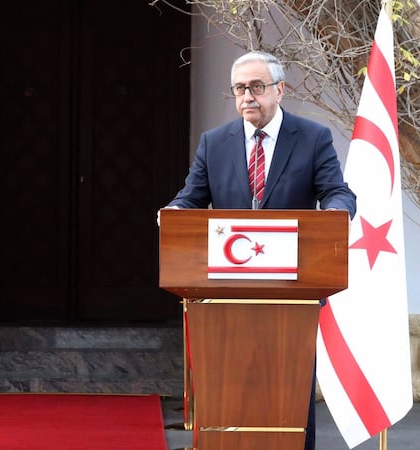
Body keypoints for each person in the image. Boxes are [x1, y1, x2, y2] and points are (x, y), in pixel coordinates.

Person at [164, 51, 357, 450]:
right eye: (239, 89)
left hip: (291, 299)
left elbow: (338, 193)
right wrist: (175, 213)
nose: (247, 96)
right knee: (228, 401)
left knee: (288, 403)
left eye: (256, 87)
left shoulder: (313, 137)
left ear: (279, 90)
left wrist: (333, 215)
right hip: (225, 302)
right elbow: (191, 198)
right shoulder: (215, 143)